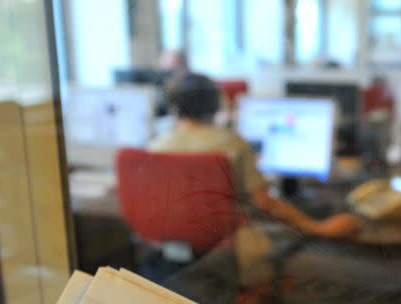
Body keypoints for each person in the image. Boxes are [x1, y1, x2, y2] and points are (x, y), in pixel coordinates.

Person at [150, 73, 361, 239]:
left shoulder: (155, 146)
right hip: (224, 246)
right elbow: (264, 203)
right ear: (215, 105)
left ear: (173, 107)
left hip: (171, 249)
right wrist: (317, 227)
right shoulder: (231, 144)